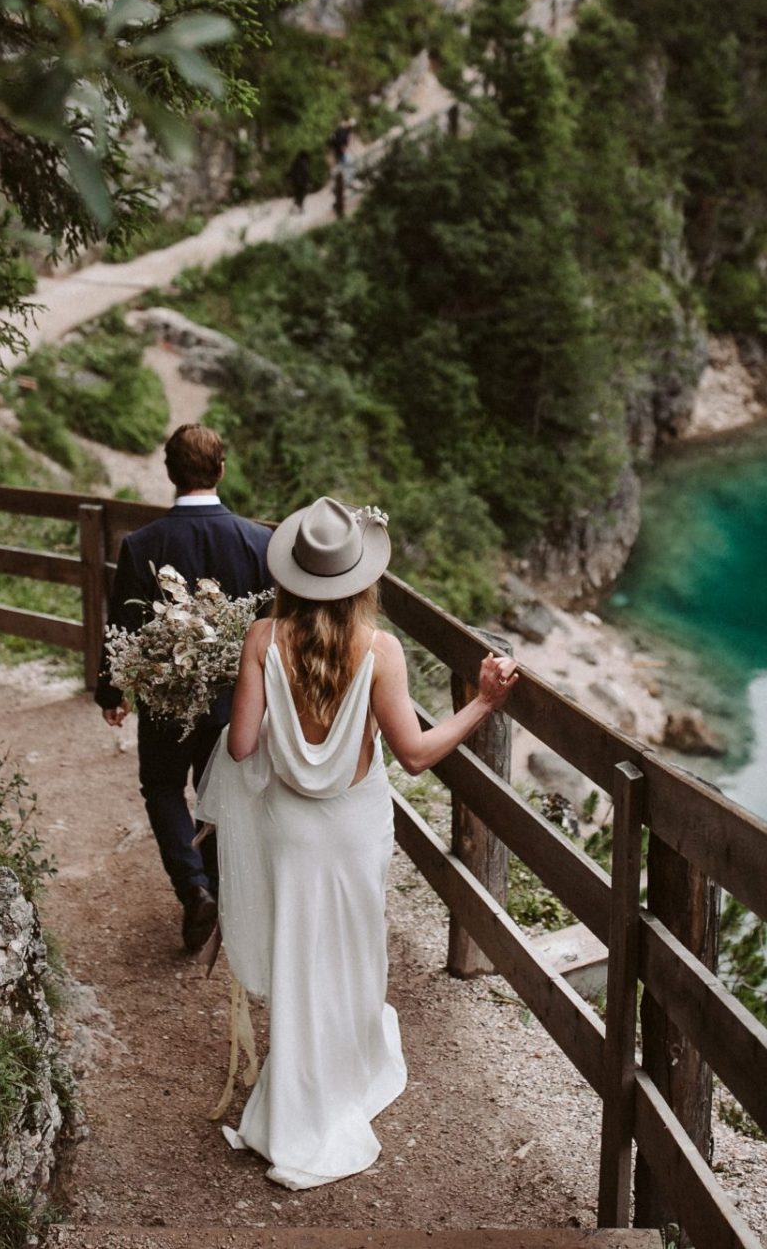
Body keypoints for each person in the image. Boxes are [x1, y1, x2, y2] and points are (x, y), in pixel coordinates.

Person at [196, 497, 519, 1190]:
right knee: (351, 948)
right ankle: (342, 1073)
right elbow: (415, 754)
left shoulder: (261, 639)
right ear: (359, 580)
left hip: (289, 826)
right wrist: (483, 704)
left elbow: (244, 743)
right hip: (351, 827)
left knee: (297, 950)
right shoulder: (379, 650)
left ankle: (293, 1098)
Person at [96, 424, 273, 951]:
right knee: (220, 795)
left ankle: (195, 889)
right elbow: (270, 626)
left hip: (165, 702)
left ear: (170, 472)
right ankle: (219, 891)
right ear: (221, 469)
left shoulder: (142, 544)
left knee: (163, 788)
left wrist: (114, 692)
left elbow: (123, 625)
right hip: (236, 698)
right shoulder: (259, 541)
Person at [328, 117, 355, 219]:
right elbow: (342, 141)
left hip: (338, 152)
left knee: (342, 166)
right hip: (341, 152)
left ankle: (340, 184)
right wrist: (343, 147)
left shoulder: (339, 130)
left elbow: (332, 140)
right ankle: (346, 182)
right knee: (347, 166)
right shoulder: (344, 131)